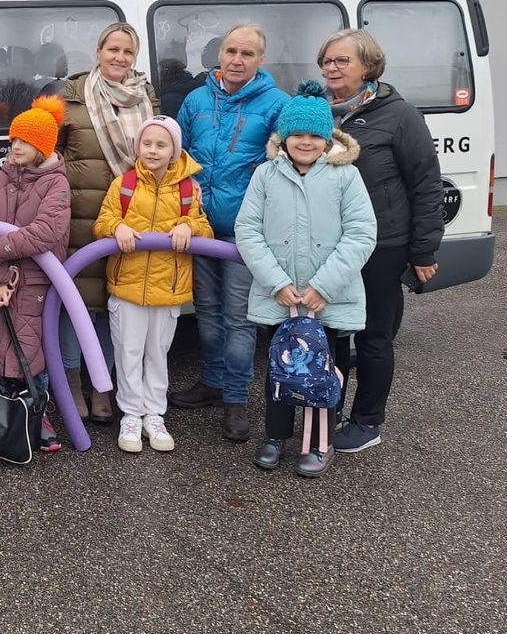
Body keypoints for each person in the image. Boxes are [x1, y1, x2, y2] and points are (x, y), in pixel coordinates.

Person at [235, 81, 376, 477]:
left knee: (326, 370)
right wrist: (277, 282)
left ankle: (320, 442)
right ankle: (276, 435)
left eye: (315, 135)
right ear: (284, 137)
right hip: (282, 297)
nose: (306, 141)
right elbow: (248, 231)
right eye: (297, 134)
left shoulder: (345, 176)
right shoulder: (265, 175)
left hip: (327, 299)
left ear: (327, 138)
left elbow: (361, 232)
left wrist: (324, 287)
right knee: (281, 368)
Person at [316, 29, 443, 453]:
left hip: (381, 244)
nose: (331, 68)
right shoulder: (317, 111)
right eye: (327, 61)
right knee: (330, 334)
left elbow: (426, 184)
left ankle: (367, 421)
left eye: (341, 61)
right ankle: (325, 411)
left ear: (368, 67)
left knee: (372, 336)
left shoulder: (399, 114)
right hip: (328, 246)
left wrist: (423, 249)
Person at [171, 24, 288, 442]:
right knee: (206, 314)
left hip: (245, 234)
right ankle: (213, 383)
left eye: (248, 54)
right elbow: (177, 154)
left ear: (260, 60)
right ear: (219, 55)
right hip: (199, 227)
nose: (237, 60)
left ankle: (236, 400)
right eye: (231, 51)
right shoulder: (196, 99)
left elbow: (289, 160)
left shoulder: (278, 104)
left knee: (239, 320)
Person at [58, 21, 160, 423]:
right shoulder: (72, 100)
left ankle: (103, 386)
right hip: (79, 220)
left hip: (128, 220)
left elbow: (161, 157)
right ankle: (70, 385)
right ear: (98, 51)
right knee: (72, 305)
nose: (119, 57)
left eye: (127, 52)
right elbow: (44, 156)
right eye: (112, 49)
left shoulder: (147, 101)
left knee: (110, 304)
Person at [92, 116, 213, 453]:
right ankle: (130, 415)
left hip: (168, 288)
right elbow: (102, 221)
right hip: (127, 287)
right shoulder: (124, 185)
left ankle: (155, 414)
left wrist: (189, 226)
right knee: (128, 352)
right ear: (138, 147)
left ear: (175, 150)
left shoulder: (188, 188)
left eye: (161, 145)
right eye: (147, 144)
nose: (153, 150)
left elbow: (205, 228)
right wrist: (116, 228)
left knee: (158, 354)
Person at [0, 96, 71, 452]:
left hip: (36, 282)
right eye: (14, 139)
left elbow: (46, 232)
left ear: (42, 146)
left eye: (24, 141)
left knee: (31, 351)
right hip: (2, 281)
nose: (15, 146)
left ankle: (37, 415)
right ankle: (0, 420)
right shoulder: (3, 176)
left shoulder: (55, 184)